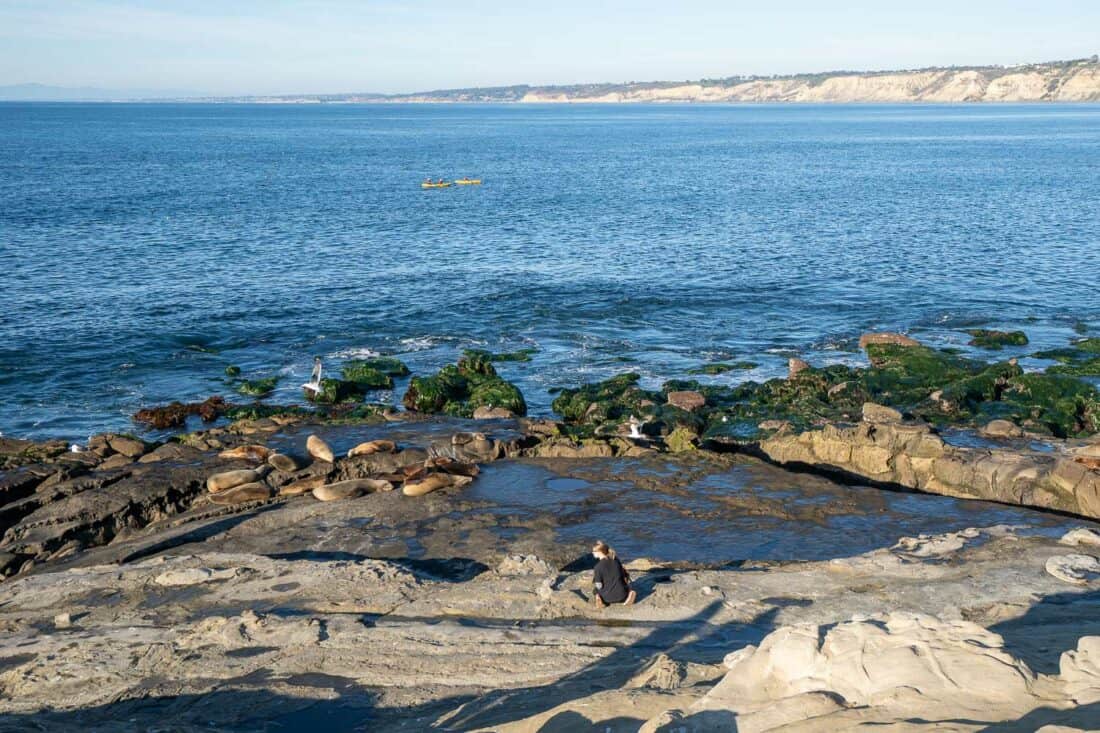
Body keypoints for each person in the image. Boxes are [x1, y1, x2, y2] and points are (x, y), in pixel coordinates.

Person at [591, 540, 636, 608]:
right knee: (629, 585)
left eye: (594, 551)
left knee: (595, 590)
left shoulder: (598, 567)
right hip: (622, 595)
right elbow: (623, 575)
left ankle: (599, 599)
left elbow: (599, 586)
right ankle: (629, 594)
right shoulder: (616, 560)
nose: (592, 553)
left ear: (599, 552)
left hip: (607, 598)